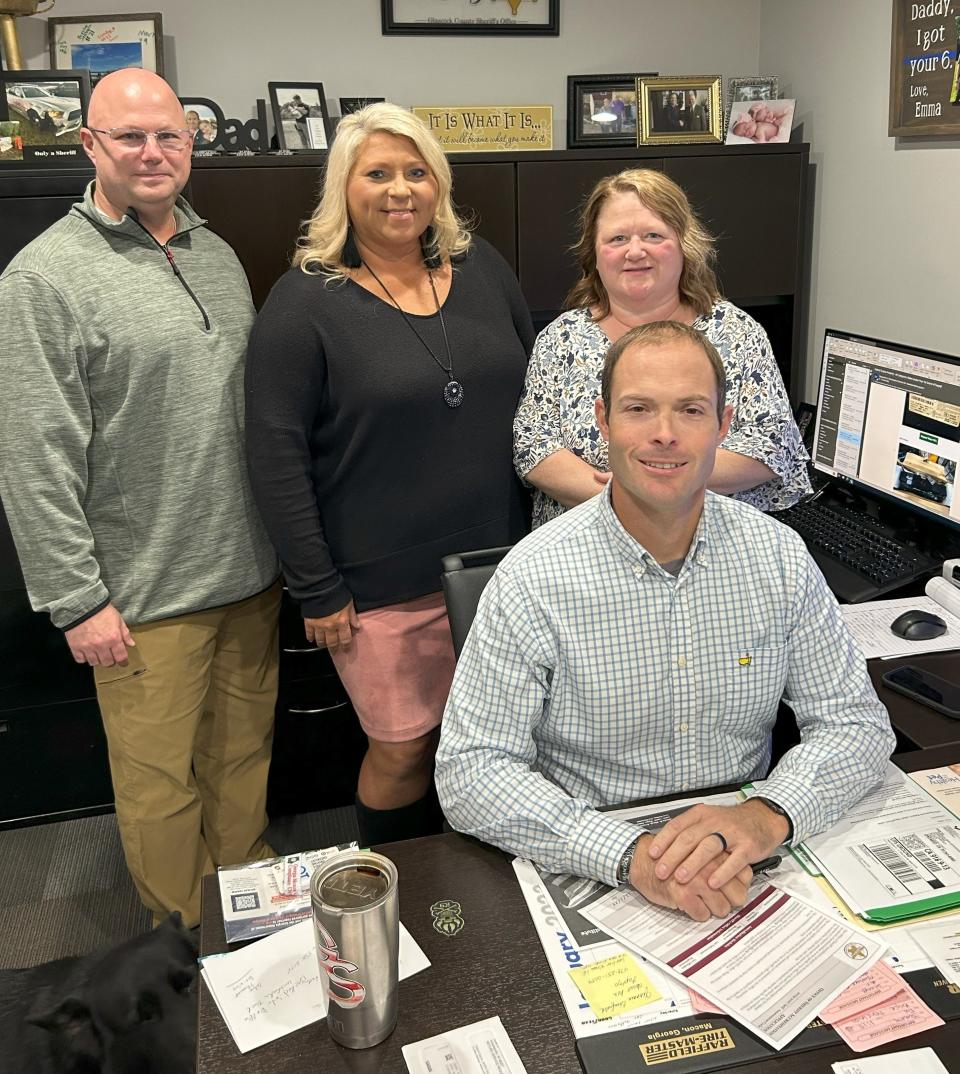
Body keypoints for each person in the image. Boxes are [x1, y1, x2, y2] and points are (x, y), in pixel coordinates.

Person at [437, 321, 896, 921]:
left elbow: (855, 724)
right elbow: (471, 769)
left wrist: (768, 814)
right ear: (603, 422)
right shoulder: (533, 578)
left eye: (690, 410)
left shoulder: (778, 558)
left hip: (743, 857)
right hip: (590, 859)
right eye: (638, 409)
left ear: (722, 425)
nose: (664, 435)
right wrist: (630, 855)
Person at [0, 70, 280, 927]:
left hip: (247, 575)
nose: (154, 152)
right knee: (160, 790)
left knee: (241, 763)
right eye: (130, 137)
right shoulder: (42, 280)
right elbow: (31, 457)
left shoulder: (216, 252)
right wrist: (78, 600)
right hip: (142, 597)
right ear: (90, 146)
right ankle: (188, 946)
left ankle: (251, 915)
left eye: (170, 134)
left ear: (191, 145)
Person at [245, 102, 534, 845]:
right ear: (344, 187)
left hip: (503, 570)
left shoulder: (483, 267)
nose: (399, 190)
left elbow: (535, 390)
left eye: (417, 173)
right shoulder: (303, 302)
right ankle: (402, 886)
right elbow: (274, 454)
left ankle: (487, 906)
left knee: (498, 745)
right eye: (377, 173)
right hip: (378, 588)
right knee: (404, 749)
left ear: (438, 186)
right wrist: (316, 585)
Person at [513, 168, 811, 528]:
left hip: (719, 549)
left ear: (685, 243)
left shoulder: (737, 333)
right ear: (594, 252)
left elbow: (769, 445)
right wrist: (621, 498)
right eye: (617, 238)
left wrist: (651, 486)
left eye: (653, 235)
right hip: (583, 547)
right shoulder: (560, 340)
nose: (635, 251)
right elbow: (534, 445)